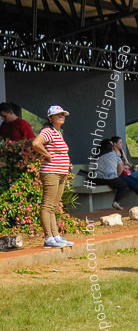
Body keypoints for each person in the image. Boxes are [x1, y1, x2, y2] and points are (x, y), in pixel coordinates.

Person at [31, 106, 74, 249]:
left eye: (63, 114)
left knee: (53, 206)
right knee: (48, 205)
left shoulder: (57, 132)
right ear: (50, 118)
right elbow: (36, 143)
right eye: (58, 115)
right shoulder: (48, 131)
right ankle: (48, 237)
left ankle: (55, 236)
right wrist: (47, 155)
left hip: (60, 173)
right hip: (51, 172)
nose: (61, 116)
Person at [95, 138, 138, 209]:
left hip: (98, 179)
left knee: (134, 180)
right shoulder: (113, 154)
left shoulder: (98, 156)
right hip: (111, 178)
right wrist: (118, 176)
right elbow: (120, 166)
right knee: (132, 182)